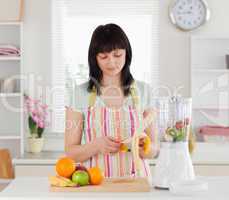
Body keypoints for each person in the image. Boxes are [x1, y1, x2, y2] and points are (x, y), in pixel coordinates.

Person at [65, 23, 158, 182]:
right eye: (104, 56)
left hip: (137, 184)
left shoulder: (144, 91)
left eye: (117, 55)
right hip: (96, 184)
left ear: (126, 54)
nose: (111, 62)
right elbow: (70, 152)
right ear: (95, 58)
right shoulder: (80, 93)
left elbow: (155, 149)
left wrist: (145, 147)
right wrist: (96, 146)